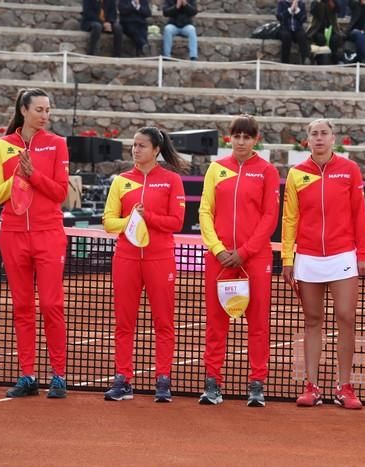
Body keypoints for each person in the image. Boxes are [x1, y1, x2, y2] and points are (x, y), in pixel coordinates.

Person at [282, 118, 365, 409]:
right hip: (307, 256)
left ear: (334, 138)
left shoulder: (350, 170)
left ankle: (345, 387)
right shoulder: (297, 173)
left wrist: (362, 255)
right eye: (314, 134)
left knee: (346, 317)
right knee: (312, 321)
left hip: (342, 254)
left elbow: (359, 214)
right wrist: (287, 257)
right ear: (307, 140)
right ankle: (312, 386)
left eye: (324, 133)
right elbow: (290, 218)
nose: (319, 138)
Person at [0, 88, 70, 399]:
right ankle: (27, 376)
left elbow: (60, 192)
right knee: (22, 306)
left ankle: (58, 375)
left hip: (48, 233)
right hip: (12, 234)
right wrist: (17, 178)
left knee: (51, 305)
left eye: (47, 110)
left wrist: (33, 174)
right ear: (24, 110)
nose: (45, 115)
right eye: (39, 109)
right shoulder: (2, 145)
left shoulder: (57, 144)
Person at [198, 115, 280, 407]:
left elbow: (270, 216)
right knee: (216, 322)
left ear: (256, 139)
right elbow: (205, 211)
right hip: (219, 258)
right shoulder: (216, 169)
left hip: (254, 259)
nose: (242, 142)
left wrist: (244, 252)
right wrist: (218, 248)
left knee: (257, 322)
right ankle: (212, 382)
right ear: (229, 138)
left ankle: (256, 384)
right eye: (237, 136)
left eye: (247, 137)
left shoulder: (267, 171)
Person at [102, 127, 188, 403]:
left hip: (160, 258)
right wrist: (131, 220)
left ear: (156, 150)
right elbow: (108, 222)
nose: (135, 150)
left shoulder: (172, 180)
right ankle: (123, 378)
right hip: (126, 258)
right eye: (134, 145)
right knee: (124, 323)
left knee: (163, 322)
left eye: (141, 146)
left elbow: (176, 222)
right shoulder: (121, 181)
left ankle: (163, 379)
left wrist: (146, 216)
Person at [307, 0, 344, 64]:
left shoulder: (332, 2)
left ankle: (334, 60)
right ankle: (320, 60)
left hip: (332, 29)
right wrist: (318, 2)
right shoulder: (315, 2)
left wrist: (331, 2)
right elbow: (313, 11)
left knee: (335, 39)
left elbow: (339, 10)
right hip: (317, 29)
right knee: (320, 39)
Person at [277, 0, 310, 64]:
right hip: (285, 28)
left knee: (302, 35)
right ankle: (285, 62)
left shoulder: (301, 4)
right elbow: (280, 17)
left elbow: (303, 19)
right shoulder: (281, 3)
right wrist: (290, 9)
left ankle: (305, 59)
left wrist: (297, 10)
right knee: (286, 36)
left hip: (297, 28)